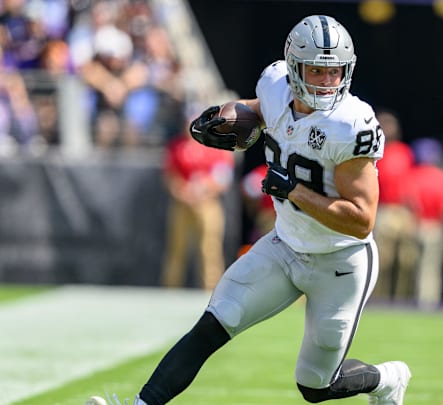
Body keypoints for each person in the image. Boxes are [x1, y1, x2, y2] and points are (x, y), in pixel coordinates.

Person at [103, 15, 411, 405]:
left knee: (315, 386)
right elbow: (259, 109)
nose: (326, 81)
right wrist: (227, 115)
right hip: (284, 245)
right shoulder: (275, 85)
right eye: (316, 71)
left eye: (334, 73)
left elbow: (361, 219)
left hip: (341, 263)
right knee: (213, 323)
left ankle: (387, 379)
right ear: (295, 69)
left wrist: (296, 192)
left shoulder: (350, 123)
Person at [160, 123, 235, 291]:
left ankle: (212, 290)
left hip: (208, 203)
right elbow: (170, 175)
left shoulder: (215, 146)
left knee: (210, 248)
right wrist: (183, 192)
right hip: (182, 203)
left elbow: (224, 176)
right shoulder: (177, 146)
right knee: (177, 247)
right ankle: (170, 289)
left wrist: (206, 187)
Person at [405, 137, 443, 310]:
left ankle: (405, 303)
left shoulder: (412, 174)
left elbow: (407, 201)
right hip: (435, 227)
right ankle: (427, 305)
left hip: (414, 226)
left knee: (409, 270)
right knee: (430, 269)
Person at [372, 108, 419, 304]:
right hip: (382, 209)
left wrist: (413, 211)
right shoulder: (373, 152)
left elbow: (410, 183)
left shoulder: (404, 151)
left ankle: (401, 301)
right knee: (382, 259)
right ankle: (378, 300)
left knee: (406, 260)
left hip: (402, 210)